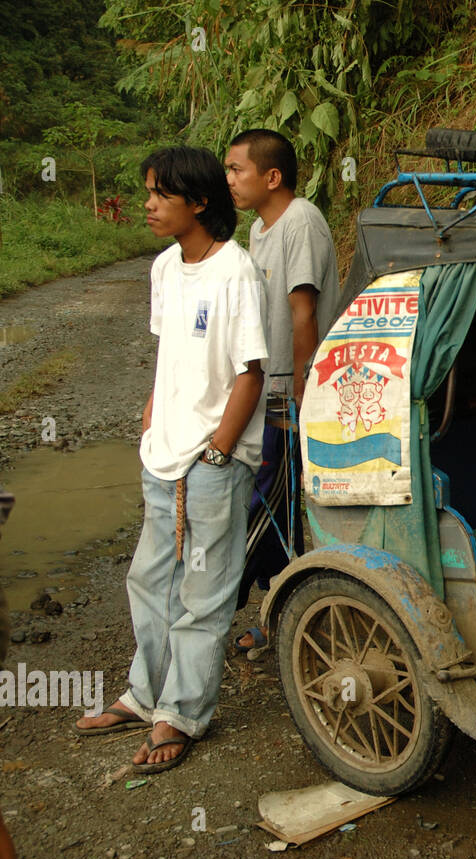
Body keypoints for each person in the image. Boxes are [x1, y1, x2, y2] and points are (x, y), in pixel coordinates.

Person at [73, 146, 269, 773]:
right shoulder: (163, 267)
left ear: (200, 202)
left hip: (213, 461)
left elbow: (250, 373)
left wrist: (217, 450)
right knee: (148, 581)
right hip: (162, 455)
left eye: (161, 194)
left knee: (203, 594)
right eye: (148, 192)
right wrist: (152, 420)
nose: (149, 205)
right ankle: (145, 695)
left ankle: (180, 715)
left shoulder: (237, 271)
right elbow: (168, 357)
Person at [224, 129, 340, 651]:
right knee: (277, 499)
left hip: (294, 392)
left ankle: (263, 608)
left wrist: (302, 389)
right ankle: (280, 609)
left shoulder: (301, 221)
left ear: (272, 176)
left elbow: (303, 313)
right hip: (266, 390)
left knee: (274, 495)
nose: (229, 180)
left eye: (236, 170)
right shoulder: (258, 229)